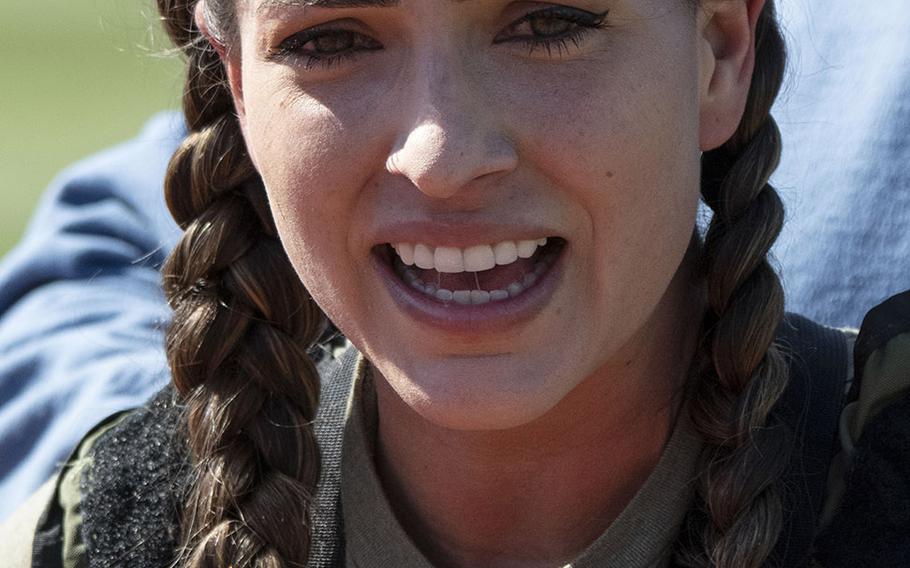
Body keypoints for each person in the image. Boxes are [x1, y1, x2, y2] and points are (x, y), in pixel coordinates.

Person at [1, 2, 909, 568]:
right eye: (333, 39)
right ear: (237, 89)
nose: (441, 157)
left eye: (549, 24)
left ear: (720, 50)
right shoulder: (102, 529)